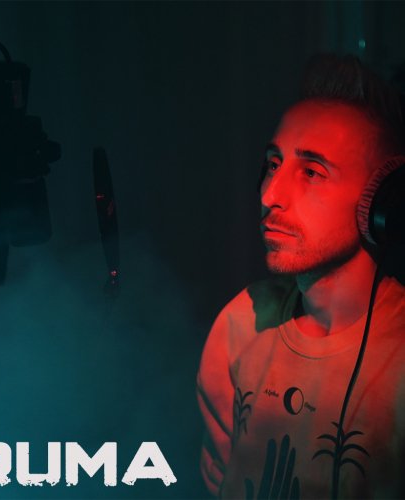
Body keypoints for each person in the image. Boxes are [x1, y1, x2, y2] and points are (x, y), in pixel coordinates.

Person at [197, 54, 405, 499]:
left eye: (311, 172)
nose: (270, 195)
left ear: (382, 203)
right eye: (273, 165)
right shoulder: (239, 324)